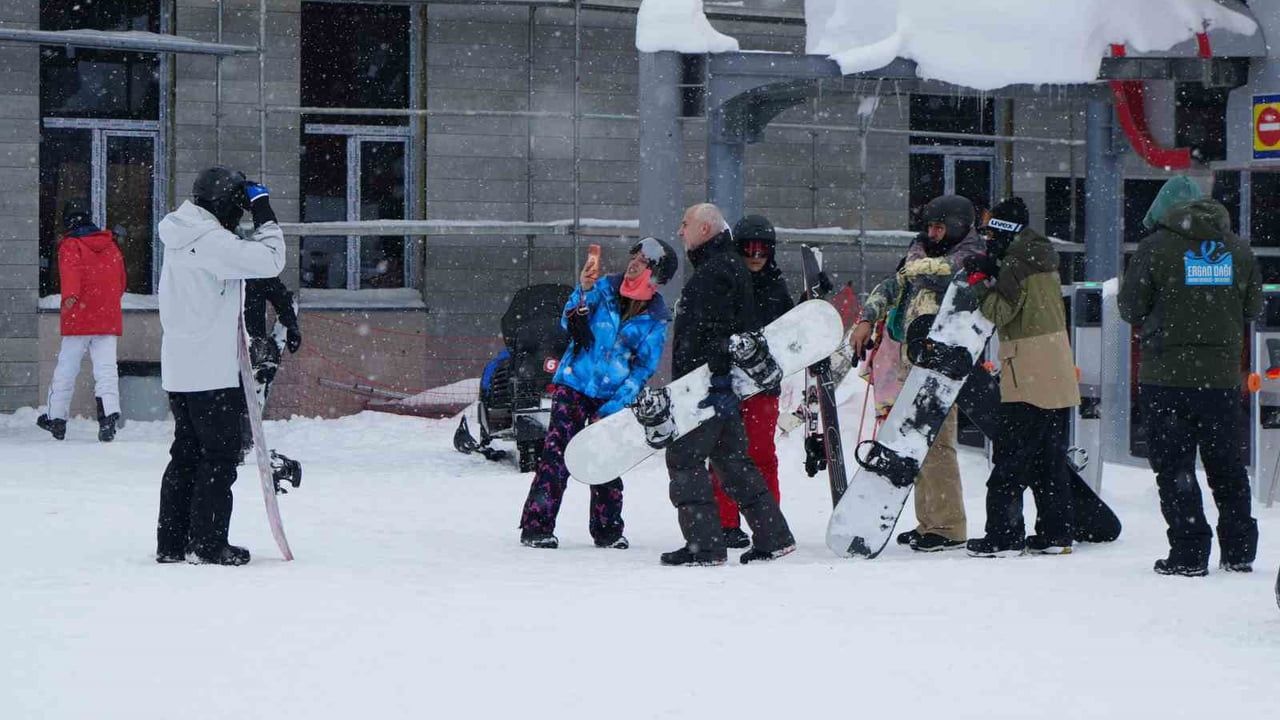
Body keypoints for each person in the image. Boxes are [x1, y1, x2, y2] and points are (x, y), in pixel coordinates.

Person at [1118, 176, 1261, 576]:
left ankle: (1189, 552)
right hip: (1220, 379)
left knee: (1175, 468)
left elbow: (1130, 308)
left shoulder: (1154, 247)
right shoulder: (1237, 249)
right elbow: (1253, 308)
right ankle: (1239, 550)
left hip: (1165, 377)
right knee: (1227, 466)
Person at [154, 166, 286, 566]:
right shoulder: (211, 241)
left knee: (186, 455)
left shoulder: (181, 233)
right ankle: (208, 543)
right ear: (224, 204)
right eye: (236, 207)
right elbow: (272, 260)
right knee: (220, 456)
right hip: (211, 371)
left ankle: (172, 542)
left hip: (180, 367)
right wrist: (263, 210)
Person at [519, 237, 675, 549]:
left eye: (644, 262)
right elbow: (568, 322)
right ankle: (536, 527)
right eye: (635, 257)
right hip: (574, 385)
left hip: (610, 397)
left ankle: (608, 531)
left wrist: (615, 406)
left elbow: (642, 369)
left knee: (606, 461)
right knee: (555, 455)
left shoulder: (656, 319)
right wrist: (584, 290)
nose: (634, 264)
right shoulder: (602, 289)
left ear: (656, 276)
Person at [662, 203, 796, 566]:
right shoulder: (728, 266)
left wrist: (718, 381)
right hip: (722, 384)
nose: (680, 231)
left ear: (705, 229)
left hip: (705, 386)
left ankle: (705, 546)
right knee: (732, 461)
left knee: (684, 458)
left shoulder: (716, 270)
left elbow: (718, 330)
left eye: (685, 223)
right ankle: (773, 538)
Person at [850, 195, 985, 552]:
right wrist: (867, 318)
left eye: (939, 228)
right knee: (915, 442)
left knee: (936, 442)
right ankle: (930, 520)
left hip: (943, 364)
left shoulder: (971, 258)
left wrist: (915, 267)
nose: (932, 234)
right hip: (914, 359)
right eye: (929, 227)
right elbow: (893, 285)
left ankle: (947, 526)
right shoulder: (919, 255)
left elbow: (946, 273)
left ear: (956, 227)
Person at [961, 198, 1081, 557]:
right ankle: (1056, 533)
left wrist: (979, 282)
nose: (988, 239)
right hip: (1056, 366)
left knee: (1010, 456)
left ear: (1004, 230)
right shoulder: (1040, 256)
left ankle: (1004, 535)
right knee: (1049, 459)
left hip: (1027, 369)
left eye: (992, 231)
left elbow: (1000, 311)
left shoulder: (1016, 263)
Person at [711, 214, 793, 549]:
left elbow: (791, 332)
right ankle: (725, 522)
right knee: (723, 453)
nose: (756, 256)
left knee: (761, 454)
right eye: (749, 248)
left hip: (762, 386)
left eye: (763, 249)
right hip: (728, 383)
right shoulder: (726, 282)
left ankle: (769, 522)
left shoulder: (776, 287)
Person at [37, 208, 127, 443]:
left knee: (67, 368)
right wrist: (106, 302)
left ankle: (56, 419)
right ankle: (108, 417)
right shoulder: (111, 245)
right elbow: (120, 282)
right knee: (106, 369)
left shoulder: (71, 245)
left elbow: (71, 274)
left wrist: (71, 297)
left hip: (79, 315)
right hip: (106, 316)